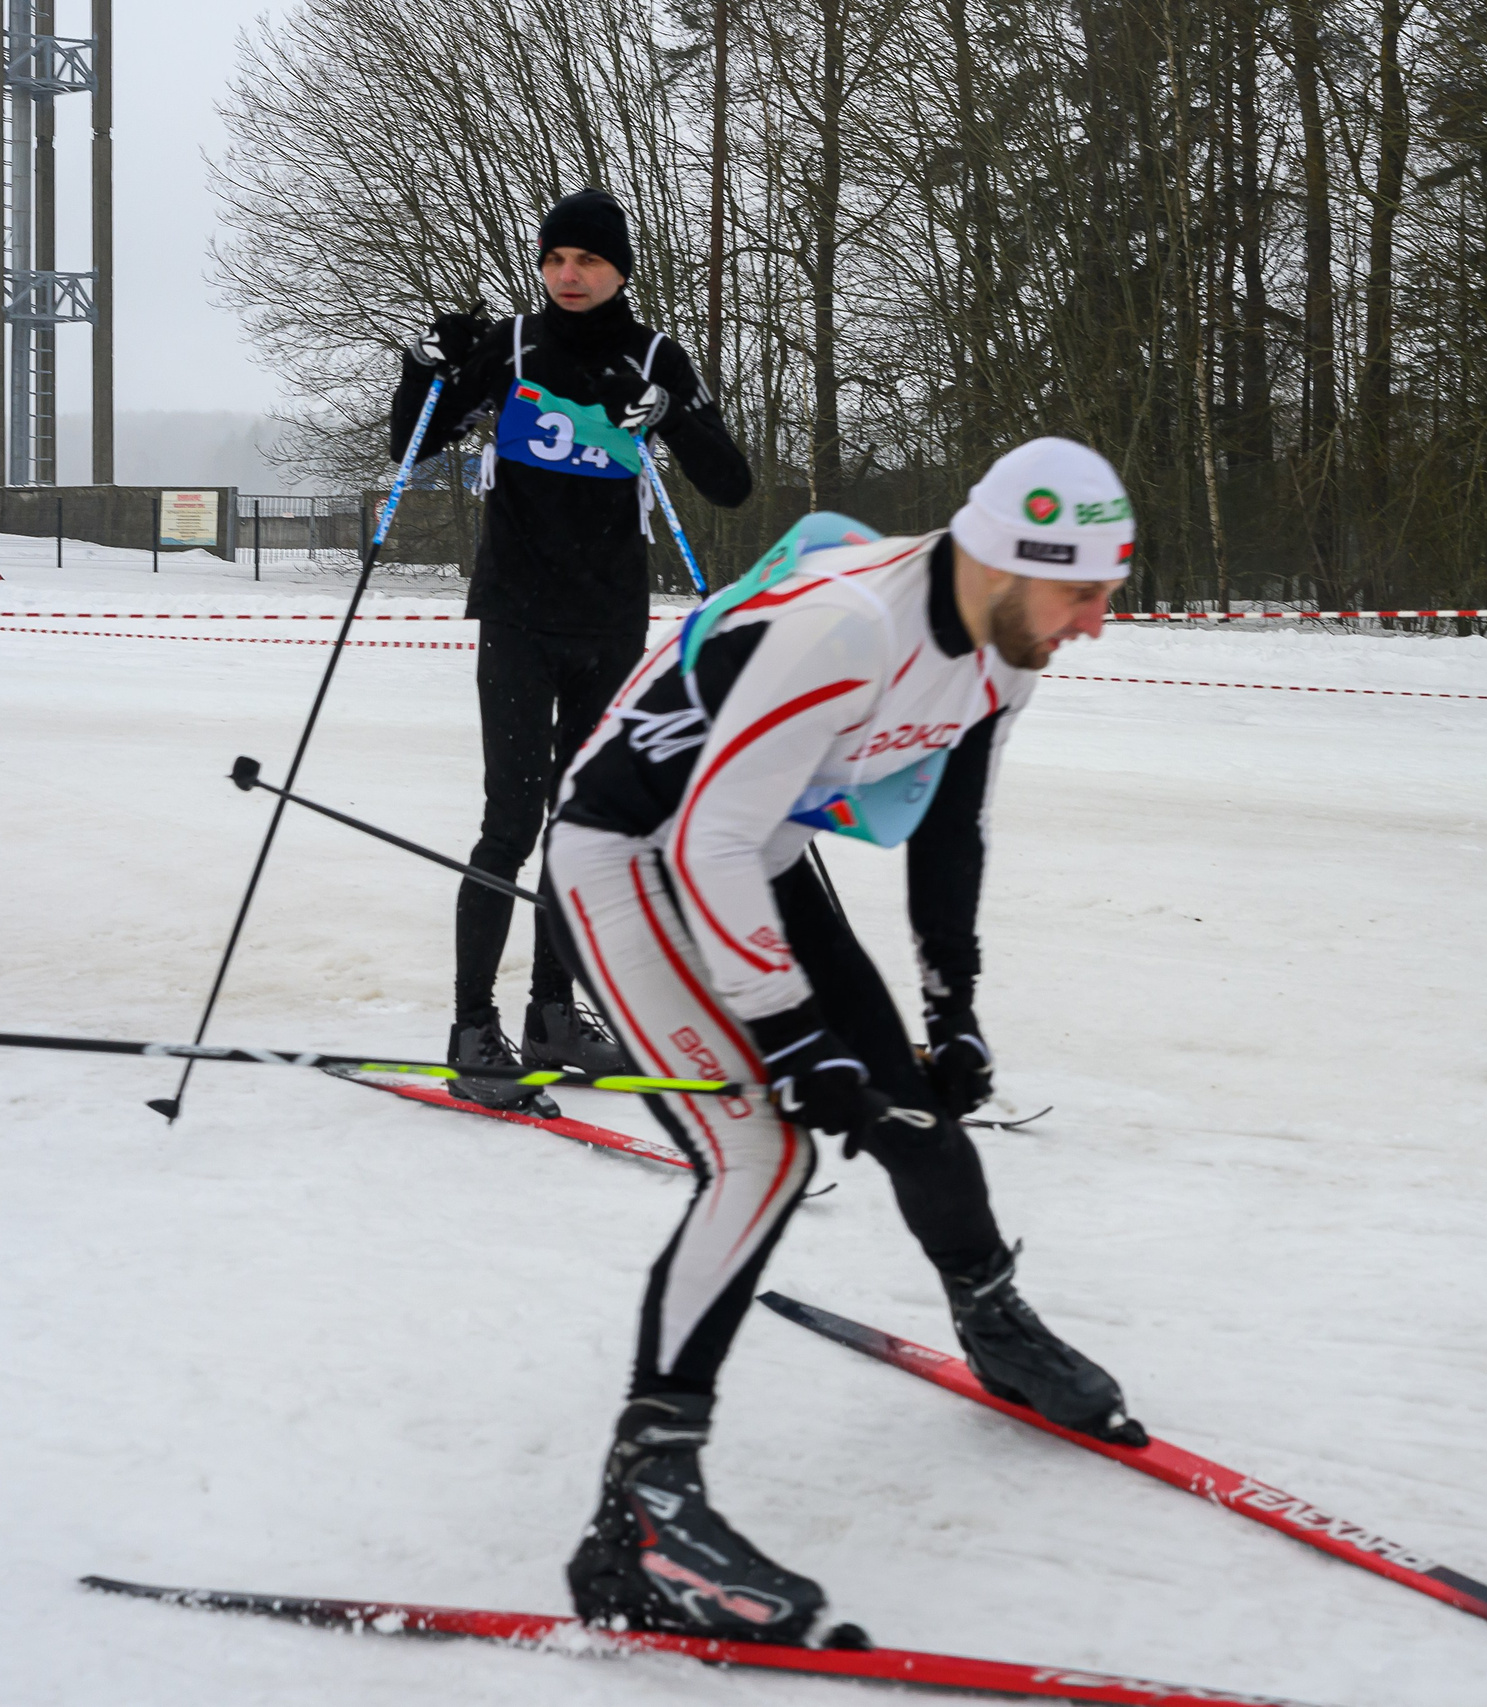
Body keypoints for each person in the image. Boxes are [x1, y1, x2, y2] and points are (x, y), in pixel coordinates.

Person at [539, 438, 1147, 1647]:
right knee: (762, 1159)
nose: (1095, 623)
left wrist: (950, 1006)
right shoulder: (847, 626)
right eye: (1083, 593)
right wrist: (789, 1036)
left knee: (913, 1105)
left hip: (747, 855)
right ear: (1005, 561)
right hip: (629, 857)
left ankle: (992, 1321)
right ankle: (642, 1520)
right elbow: (703, 840)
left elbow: (953, 829)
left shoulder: (1003, 648)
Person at [391, 188, 753, 1113]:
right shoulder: (513, 346)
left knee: (582, 826)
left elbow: (731, 483)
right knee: (510, 821)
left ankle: (553, 1013)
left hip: (608, 623)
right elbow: (412, 446)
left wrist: (669, 413)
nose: (568, 275)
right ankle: (472, 1030)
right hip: (519, 616)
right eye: (555, 259)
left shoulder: (654, 357)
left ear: (619, 269)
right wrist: (422, 369)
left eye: (587, 260)